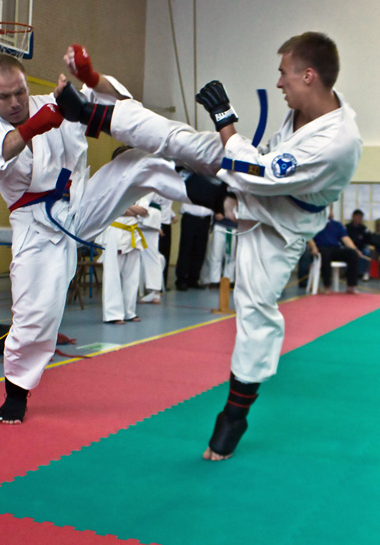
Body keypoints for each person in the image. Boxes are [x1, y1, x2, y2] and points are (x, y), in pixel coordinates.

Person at [56, 32, 362, 461]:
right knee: (182, 140)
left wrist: (225, 118)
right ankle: (90, 115)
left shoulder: (337, 141)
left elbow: (256, 174)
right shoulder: (308, 107)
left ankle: (235, 415)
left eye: (284, 74)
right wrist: (223, 153)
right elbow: (255, 165)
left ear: (308, 75)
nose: (279, 83)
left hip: (281, 225)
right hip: (257, 179)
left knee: (255, 309)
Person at [0, 48, 195, 424]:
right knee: (35, 317)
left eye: (20, 91)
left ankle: (213, 194)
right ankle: (16, 392)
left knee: (137, 164)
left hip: (80, 203)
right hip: (36, 226)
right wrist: (32, 127)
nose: (15, 102)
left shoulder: (51, 102)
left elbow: (118, 105)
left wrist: (90, 77)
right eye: (4, 96)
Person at [311, 208, 363, 294]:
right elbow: (309, 237)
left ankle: (351, 286)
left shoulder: (337, 224)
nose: (330, 213)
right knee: (325, 253)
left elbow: (345, 238)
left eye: (330, 211)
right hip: (321, 248)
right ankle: (327, 286)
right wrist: (313, 247)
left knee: (352, 254)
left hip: (335, 248)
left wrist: (355, 249)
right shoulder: (314, 224)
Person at [175, 203, 213, 290]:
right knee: (186, 248)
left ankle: (193, 279)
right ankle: (181, 279)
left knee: (200, 249)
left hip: (205, 219)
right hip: (190, 217)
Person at [346, 209, 372, 280]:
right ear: (353, 217)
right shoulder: (347, 227)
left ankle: (361, 273)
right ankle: (349, 272)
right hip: (350, 248)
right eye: (357, 217)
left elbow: (368, 240)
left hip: (361, 248)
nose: (359, 219)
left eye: (360, 217)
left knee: (366, 252)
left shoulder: (364, 228)